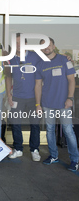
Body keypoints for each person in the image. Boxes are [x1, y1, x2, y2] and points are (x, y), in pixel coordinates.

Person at [35, 37, 79, 171]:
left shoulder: (64, 60)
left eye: (49, 45)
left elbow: (71, 80)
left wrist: (70, 98)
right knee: (49, 130)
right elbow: (38, 85)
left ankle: (75, 160)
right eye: (43, 46)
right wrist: (38, 104)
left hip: (63, 103)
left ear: (54, 46)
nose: (46, 47)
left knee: (68, 131)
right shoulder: (40, 64)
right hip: (47, 103)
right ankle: (53, 156)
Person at [6, 33, 41, 161]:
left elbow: (50, 58)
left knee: (35, 124)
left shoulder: (35, 57)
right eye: (16, 43)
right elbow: (8, 77)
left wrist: (66, 57)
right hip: (17, 97)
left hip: (33, 97)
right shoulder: (11, 58)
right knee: (15, 124)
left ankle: (34, 149)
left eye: (21, 42)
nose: (18, 45)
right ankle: (18, 149)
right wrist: (9, 95)